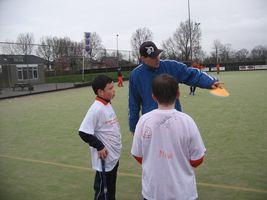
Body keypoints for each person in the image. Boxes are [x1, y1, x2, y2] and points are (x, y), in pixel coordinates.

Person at [131, 74, 206, 200]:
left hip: (153, 192)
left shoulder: (144, 120)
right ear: (178, 94)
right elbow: (197, 159)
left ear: (153, 96)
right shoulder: (187, 121)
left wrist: (156, 162)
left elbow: (138, 155)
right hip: (183, 192)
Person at [129, 41, 221, 134]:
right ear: (142, 58)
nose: (157, 59)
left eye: (157, 55)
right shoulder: (136, 75)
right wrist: (133, 127)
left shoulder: (170, 66)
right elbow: (133, 103)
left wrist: (210, 82)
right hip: (152, 126)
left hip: (174, 123)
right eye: (152, 57)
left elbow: (191, 74)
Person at [79, 75, 122, 200]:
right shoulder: (96, 109)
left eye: (113, 87)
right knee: (102, 193)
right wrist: (100, 146)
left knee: (111, 190)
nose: (113, 90)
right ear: (100, 92)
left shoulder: (107, 104)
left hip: (113, 157)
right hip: (105, 159)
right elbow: (83, 132)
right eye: (110, 88)